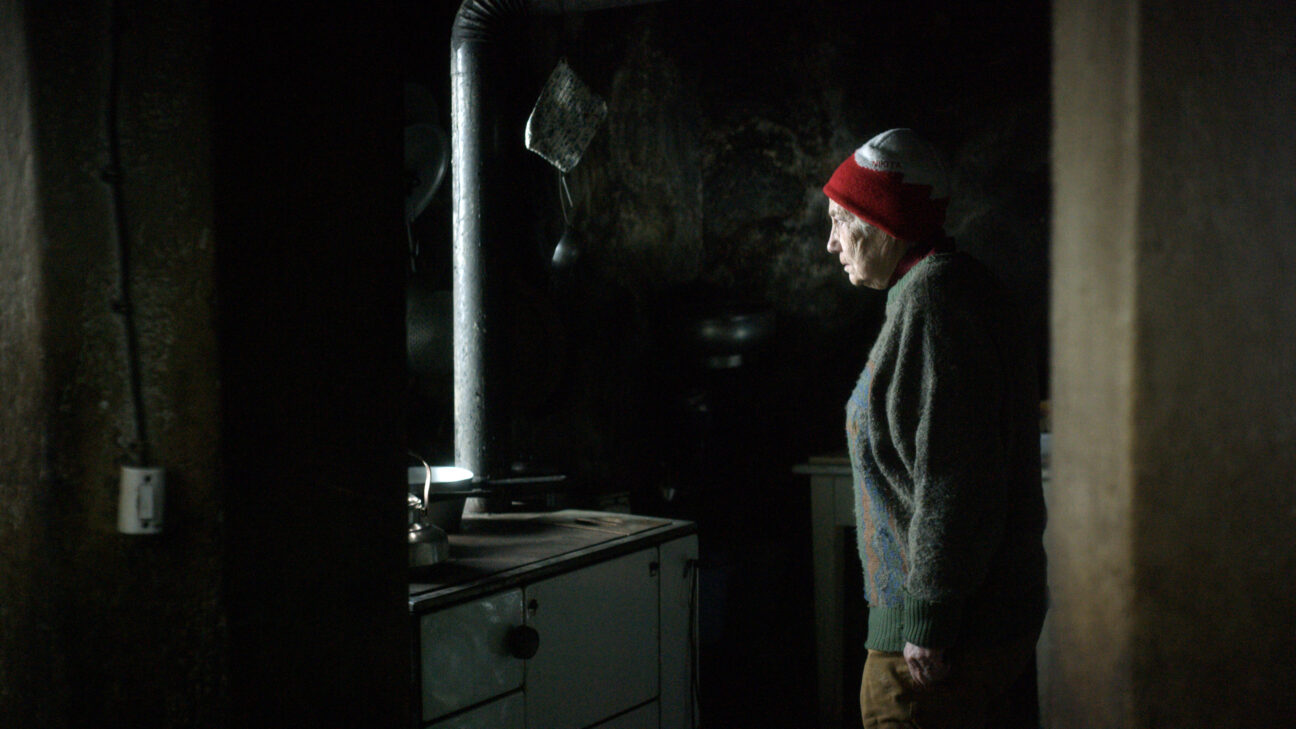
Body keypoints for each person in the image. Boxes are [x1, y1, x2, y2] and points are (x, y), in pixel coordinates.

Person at [822, 128, 1048, 728]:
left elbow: (954, 478)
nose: (831, 242)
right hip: (977, 622)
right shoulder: (945, 289)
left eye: (841, 221)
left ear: (884, 224)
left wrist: (929, 618)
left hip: (939, 640)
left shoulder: (934, 304)